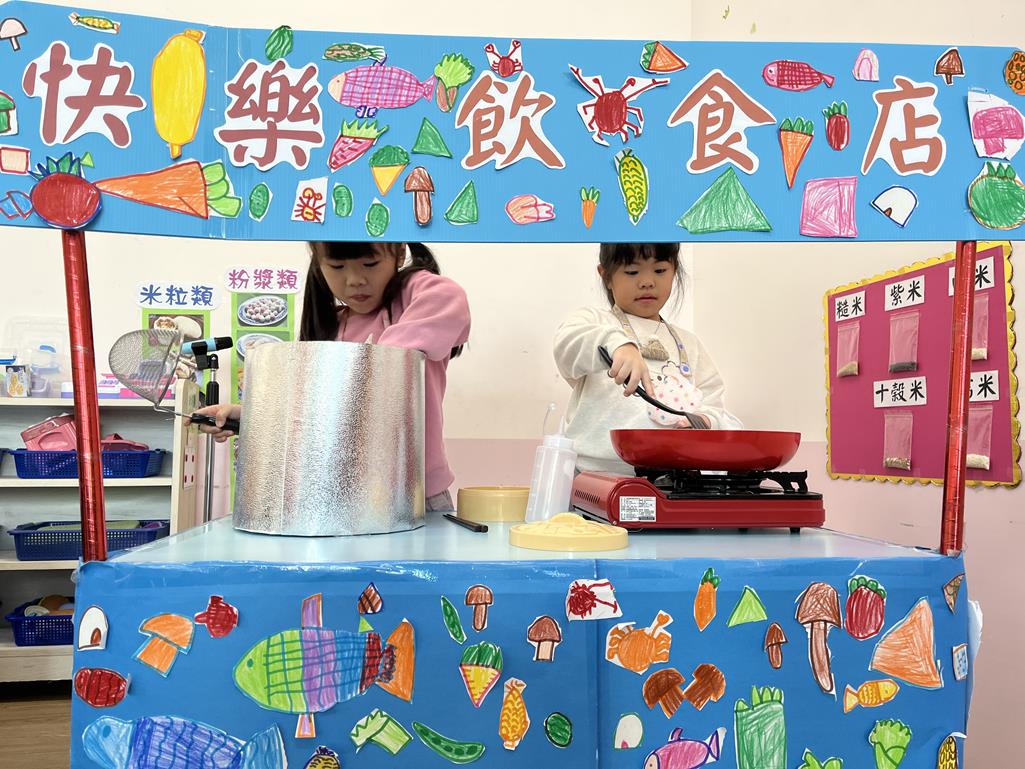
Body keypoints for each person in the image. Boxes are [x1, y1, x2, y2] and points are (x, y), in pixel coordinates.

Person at [191, 241, 470, 512]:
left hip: (417, 496)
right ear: (320, 264)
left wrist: (374, 365)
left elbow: (448, 296)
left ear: (398, 253)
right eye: (337, 267)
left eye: (370, 264)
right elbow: (305, 415)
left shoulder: (410, 303)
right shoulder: (329, 329)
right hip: (340, 503)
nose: (355, 279)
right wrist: (250, 417)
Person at [553, 242, 741, 475]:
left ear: (674, 271)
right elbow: (565, 345)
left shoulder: (689, 344)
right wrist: (617, 344)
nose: (647, 282)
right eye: (632, 271)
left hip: (673, 480)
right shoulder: (595, 323)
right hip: (596, 476)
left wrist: (705, 419)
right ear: (606, 276)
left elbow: (713, 403)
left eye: (660, 270)